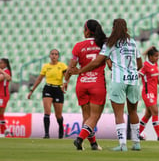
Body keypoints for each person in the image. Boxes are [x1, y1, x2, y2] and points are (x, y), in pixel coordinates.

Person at [70, 18, 142, 151]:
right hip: (133, 79)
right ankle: (137, 143)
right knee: (133, 111)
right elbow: (140, 64)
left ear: (114, 29)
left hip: (118, 80)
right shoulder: (132, 42)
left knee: (119, 113)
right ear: (126, 29)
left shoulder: (111, 43)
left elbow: (97, 61)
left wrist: (80, 70)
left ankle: (122, 145)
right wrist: (129, 69)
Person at [64, 19, 107, 151]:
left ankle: (93, 144)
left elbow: (71, 67)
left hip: (82, 84)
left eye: (84, 29)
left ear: (88, 31)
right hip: (97, 83)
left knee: (87, 117)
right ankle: (79, 139)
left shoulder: (78, 46)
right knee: (94, 117)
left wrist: (66, 81)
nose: (83, 31)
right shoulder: (103, 45)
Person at [28, 49, 67, 139]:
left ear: (58, 56)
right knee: (47, 112)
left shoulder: (62, 65)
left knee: (58, 115)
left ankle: (61, 129)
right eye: (52, 54)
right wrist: (32, 90)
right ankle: (46, 134)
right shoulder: (46, 66)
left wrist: (65, 84)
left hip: (58, 89)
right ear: (49, 56)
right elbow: (39, 79)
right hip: (48, 88)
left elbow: (67, 76)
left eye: (56, 54)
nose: (54, 56)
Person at [138, 46, 159, 141]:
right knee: (155, 111)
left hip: (154, 93)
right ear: (150, 57)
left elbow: (156, 78)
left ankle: (137, 134)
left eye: (158, 56)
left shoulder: (155, 65)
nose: (157, 58)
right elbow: (138, 75)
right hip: (148, 93)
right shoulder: (145, 66)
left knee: (148, 114)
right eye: (156, 56)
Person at [0, 58, 12, 138]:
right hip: (1, 95)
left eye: (1, 63)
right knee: (0, 114)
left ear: (5, 64)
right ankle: (4, 130)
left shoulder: (6, 71)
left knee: (0, 113)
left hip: (2, 95)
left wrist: (1, 70)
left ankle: (3, 131)